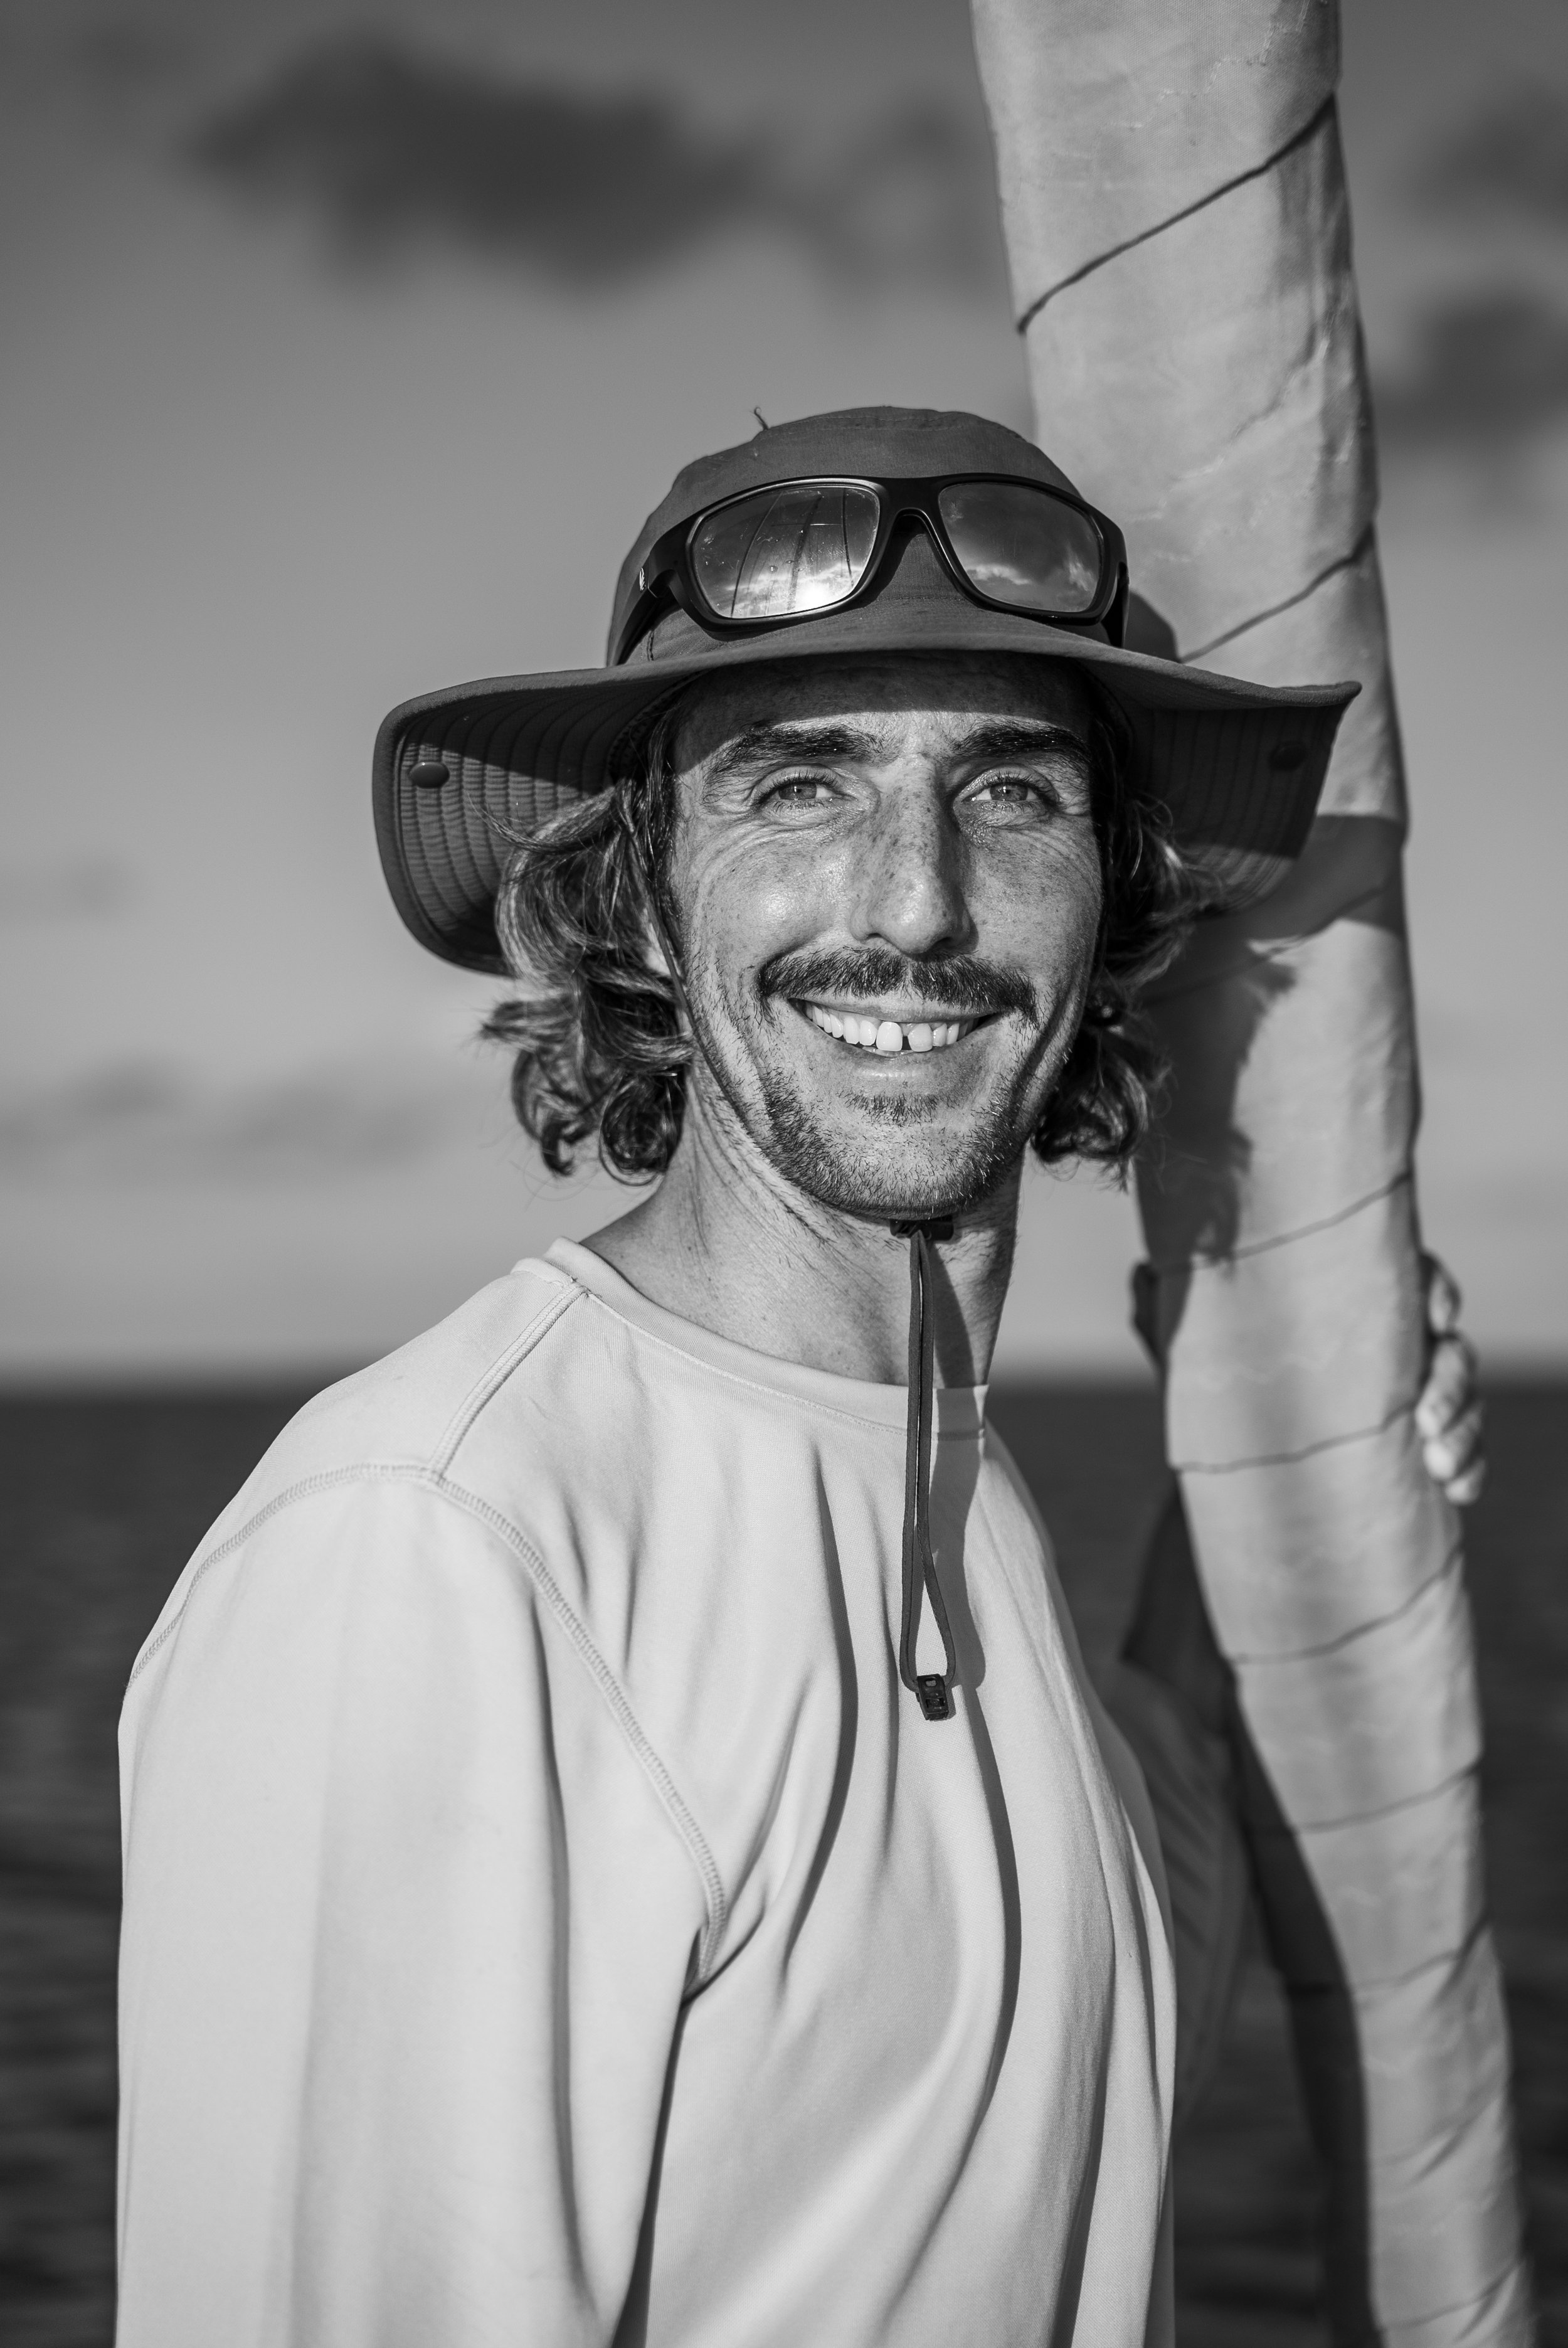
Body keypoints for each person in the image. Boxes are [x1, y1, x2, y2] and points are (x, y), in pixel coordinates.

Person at [114, 408, 1481, 2348]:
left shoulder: (938, 1476)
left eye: (1010, 796)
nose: (914, 904)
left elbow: (1078, 2000)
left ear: (1111, 912)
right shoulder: (440, 1550)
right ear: (645, 906)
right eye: (797, 789)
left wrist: (1308, 1444)